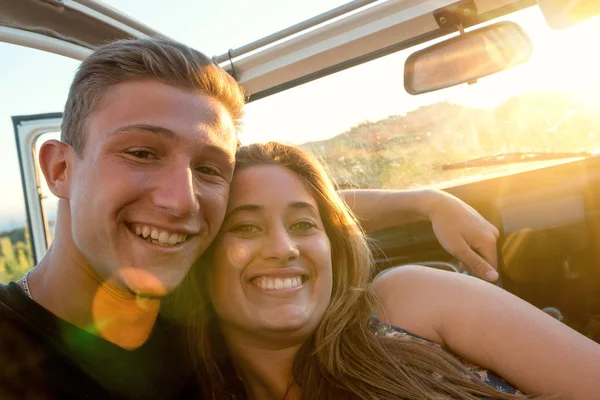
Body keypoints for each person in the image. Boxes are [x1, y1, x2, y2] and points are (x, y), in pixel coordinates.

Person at [0, 38, 500, 399]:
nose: (182, 202)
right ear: (60, 169)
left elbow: (277, 208)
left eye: (209, 169)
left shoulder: (207, 307)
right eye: (142, 153)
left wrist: (424, 201)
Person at [179, 141, 600, 400]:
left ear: (331, 246)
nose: (284, 248)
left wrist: (425, 200)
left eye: (304, 225)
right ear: (200, 256)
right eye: (246, 227)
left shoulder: (408, 301)